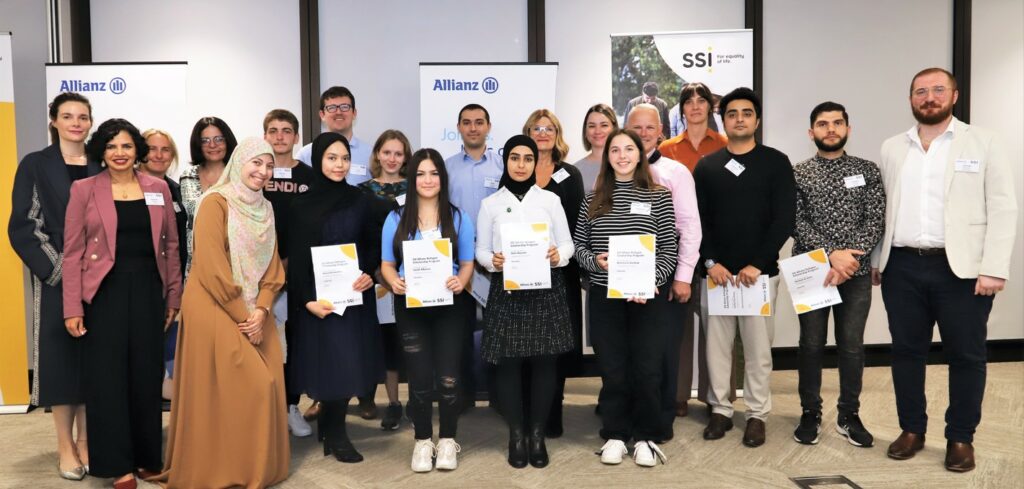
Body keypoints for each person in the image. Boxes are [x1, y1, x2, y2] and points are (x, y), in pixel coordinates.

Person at [871, 67, 1018, 472]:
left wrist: (993, 267)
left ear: (954, 95)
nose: (929, 97)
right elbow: (883, 209)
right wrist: (877, 259)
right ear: (911, 99)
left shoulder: (983, 142)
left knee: (967, 356)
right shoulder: (892, 147)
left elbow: (1003, 208)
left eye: (938, 90)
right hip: (901, 266)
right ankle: (912, 429)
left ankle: (960, 437)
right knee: (905, 352)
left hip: (964, 271)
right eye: (921, 91)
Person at [156, 138, 289, 489]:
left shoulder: (266, 208)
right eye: (256, 163)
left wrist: (261, 309)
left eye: (269, 165)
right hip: (216, 304)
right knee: (249, 386)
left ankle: (252, 466)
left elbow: (273, 268)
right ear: (240, 162)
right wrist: (245, 315)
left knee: (270, 378)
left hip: (255, 309)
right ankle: (221, 466)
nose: (263, 172)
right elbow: (212, 266)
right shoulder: (214, 203)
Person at [63, 118, 182, 489]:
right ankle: (118, 465)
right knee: (109, 380)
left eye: (127, 146)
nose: (119, 153)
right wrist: (72, 307)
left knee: (146, 376)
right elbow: (71, 253)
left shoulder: (158, 187)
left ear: (137, 152)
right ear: (102, 150)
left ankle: (147, 459)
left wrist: (173, 296)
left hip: (149, 290)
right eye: (112, 146)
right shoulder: (84, 189)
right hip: (104, 293)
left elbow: (172, 247)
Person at [694, 87, 795, 448]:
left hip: (760, 276)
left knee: (757, 350)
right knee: (716, 349)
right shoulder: (706, 166)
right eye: (732, 113)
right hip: (717, 275)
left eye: (746, 113)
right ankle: (720, 409)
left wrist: (757, 264)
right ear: (723, 119)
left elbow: (784, 219)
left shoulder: (776, 162)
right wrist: (710, 262)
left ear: (757, 119)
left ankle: (756, 414)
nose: (739, 118)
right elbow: (697, 221)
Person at [9, 92, 100, 481]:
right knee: (63, 364)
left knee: (95, 365)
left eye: (83, 116)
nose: (76, 123)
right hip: (57, 278)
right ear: (54, 120)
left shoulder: (102, 163)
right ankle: (65, 445)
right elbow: (25, 225)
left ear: (91, 122)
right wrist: (64, 272)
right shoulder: (35, 164)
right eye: (68, 116)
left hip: (102, 279)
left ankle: (87, 442)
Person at [575, 129, 678, 467]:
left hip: (648, 299)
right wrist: (595, 262)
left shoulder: (659, 196)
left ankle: (646, 436)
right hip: (606, 296)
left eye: (629, 149)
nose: (622, 155)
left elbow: (668, 250)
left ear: (640, 154)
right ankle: (616, 434)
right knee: (614, 369)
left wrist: (650, 282)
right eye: (615, 150)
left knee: (648, 369)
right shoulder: (592, 199)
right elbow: (579, 247)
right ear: (608, 157)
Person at [477, 135, 576, 468]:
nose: (521, 165)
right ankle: (516, 435)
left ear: (536, 163)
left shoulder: (549, 200)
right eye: (515, 158)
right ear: (506, 162)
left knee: (545, 364)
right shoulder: (490, 204)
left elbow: (568, 246)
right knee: (508, 364)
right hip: (506, 291)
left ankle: (537, 435)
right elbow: (480, 251)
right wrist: (494, 261)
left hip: (546, 290)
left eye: (527, 159)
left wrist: (555, 255)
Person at [288, 133, 386, 463]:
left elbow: (373, 243)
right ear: (317, 161)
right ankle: (331, 429)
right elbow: (296, 259)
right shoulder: (300, 204)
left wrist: (369, 272)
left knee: (347, 363)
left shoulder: (361, 200)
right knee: (325, 364)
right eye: (331, 157)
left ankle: (336, 431)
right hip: (316, 298)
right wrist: (305, 301)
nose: (339, 164)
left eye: (344, 158)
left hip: (352, 295)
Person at [792, 102, 885, 447]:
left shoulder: (867, 170)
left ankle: (849, 414)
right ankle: (810, 412)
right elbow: (796, 221)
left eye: (837, 123)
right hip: (810, 267)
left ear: (848, 128)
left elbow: (875, 219)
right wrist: (831, 254)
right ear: (811, 132)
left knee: (851, 346)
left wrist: (848, 260)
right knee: (811, 345)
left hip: (855, 271)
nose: (830, 129)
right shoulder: (797, 172)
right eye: (822, 124)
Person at [381, 149, 475, 473]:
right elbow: (387, 264)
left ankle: (448, 438)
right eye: (420, 174)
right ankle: (423, 440)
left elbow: (466, 263)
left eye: (434, 173)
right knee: (419, 379)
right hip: (412, 307)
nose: (427, 180)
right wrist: (393, 282)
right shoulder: (396, 217)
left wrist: (462, 282)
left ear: (442, 179)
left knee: (449, 378)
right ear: (412, 178)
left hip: (450, 307)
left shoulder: (459, 216)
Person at [625, 104, 701, 441]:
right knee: (630, 349)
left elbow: (690, 227)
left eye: (648, 128)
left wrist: (683, 276)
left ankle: (661, 419)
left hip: (664, 276)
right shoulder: (615, 171)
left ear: (660, 131)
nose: (642, 134)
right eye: (635, 127)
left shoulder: (676, 172)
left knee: (663, 350)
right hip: (624, 276)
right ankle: (630, 414)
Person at [658, 82, 732, 418]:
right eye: (689, 101)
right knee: (679, 325)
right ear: (682, 109)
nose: (696, 106)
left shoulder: (727, 146)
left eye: (702, 101)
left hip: (718, 244)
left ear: (711, 108)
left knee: (718, 325)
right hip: (681, 244)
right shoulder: (667, 148)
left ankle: (717, 396)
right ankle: (677, 394)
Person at [523, 109, 585, 437]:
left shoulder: (569, 174)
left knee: (556, 342)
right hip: (522, 274)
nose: (543, 133)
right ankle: (528, 409)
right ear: (528, 133)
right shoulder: (519, 169)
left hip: (561, 272)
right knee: (528, 341)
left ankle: (553, 410)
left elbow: (576, 226)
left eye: (549, 128)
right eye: (537, 128)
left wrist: (559, 253)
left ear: (557, 133)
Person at [260, 109, 315, 438]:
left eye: (286, 131)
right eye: (273, 130)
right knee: (261, 340)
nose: (280, 136)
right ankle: (263, 406)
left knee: (294, 341)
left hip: (297, 271)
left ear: (296, 137)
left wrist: (289, 264)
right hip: (258, 272)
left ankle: (291, 404)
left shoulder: (309, 177)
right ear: (265, 135)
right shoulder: (255, 173)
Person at [443, 103, 502, 412]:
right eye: (467, 122)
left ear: (488, 127)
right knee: (460, 332)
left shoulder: (502, 166)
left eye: (479, 122)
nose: (474, 127)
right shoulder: (447, 167)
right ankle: (463, 396)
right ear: (459, 127)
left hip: (495, 262)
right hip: (460, 262)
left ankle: (497, 394)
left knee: (497, 331)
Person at [358, 129, 413, 430]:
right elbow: (362, 236)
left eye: (398, 153)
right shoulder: (363, 191)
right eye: (387, 152)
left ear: (405, 158)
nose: (392, 158)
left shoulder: (417, 188)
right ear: (378, 154)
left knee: (414, 341)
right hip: (376, 278)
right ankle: (392, 403)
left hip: (413, 276)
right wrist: (379, 273)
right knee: (387, 342)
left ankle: (416, 400)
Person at [140, 129, 188, 401]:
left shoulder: (178, 190)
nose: (159, 155)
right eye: (152, 148)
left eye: (165, 149)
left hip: (174, 281)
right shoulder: (128, 188)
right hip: (143, 281)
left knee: (171, 343)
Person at [178, 116, 238, 276]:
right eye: (205, 140)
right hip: (196, 263)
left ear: (228, 141)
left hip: (233, 262)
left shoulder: (241, 176)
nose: (213, 145)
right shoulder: (187, 176)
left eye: (219, 139)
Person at [296, 86, 372, 185]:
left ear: (354, 113)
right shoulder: (305, 154)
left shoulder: (371, 154)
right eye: (332, 108)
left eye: (345, 107)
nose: (339, 112)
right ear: (322, 115)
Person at [574, 103, 618, 192]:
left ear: (614, 128)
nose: (598, 131)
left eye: (604, 125)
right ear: (585, 131)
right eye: (592, 126)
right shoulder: (575, 170)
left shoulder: (626, 164)